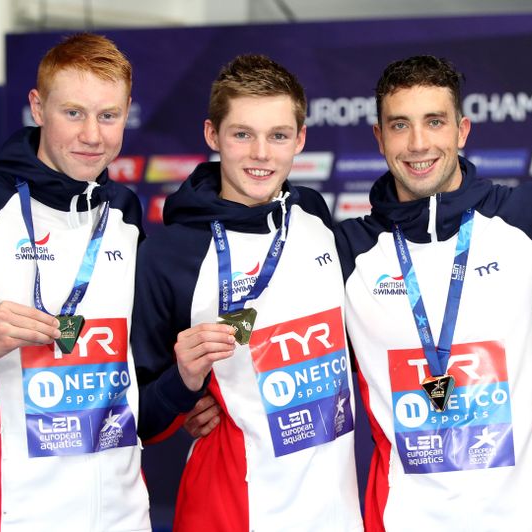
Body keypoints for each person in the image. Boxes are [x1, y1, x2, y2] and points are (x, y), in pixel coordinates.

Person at [0, 33, 150, 530]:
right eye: (74, 113)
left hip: (124, 516)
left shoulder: (124, 211)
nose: (92, 136)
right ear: (37, 108)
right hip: (6, 516)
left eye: (109, 116)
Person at [334, 55, 532, 531]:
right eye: (400, 125)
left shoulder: (530, 216)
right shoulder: (349, 250)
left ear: (462, 130)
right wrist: (210, 395)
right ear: (379, 137)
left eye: (435, 122)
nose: (418, 143)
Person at [132, 54, 362, 532]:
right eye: (242, 134)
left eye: (278, 135)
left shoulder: (313, 215)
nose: (261, 153)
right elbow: (137, 420)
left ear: (299, 139)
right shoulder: (169, 254)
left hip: (335, 513)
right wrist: (184, 381)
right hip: (232, 511)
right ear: (212, 135)